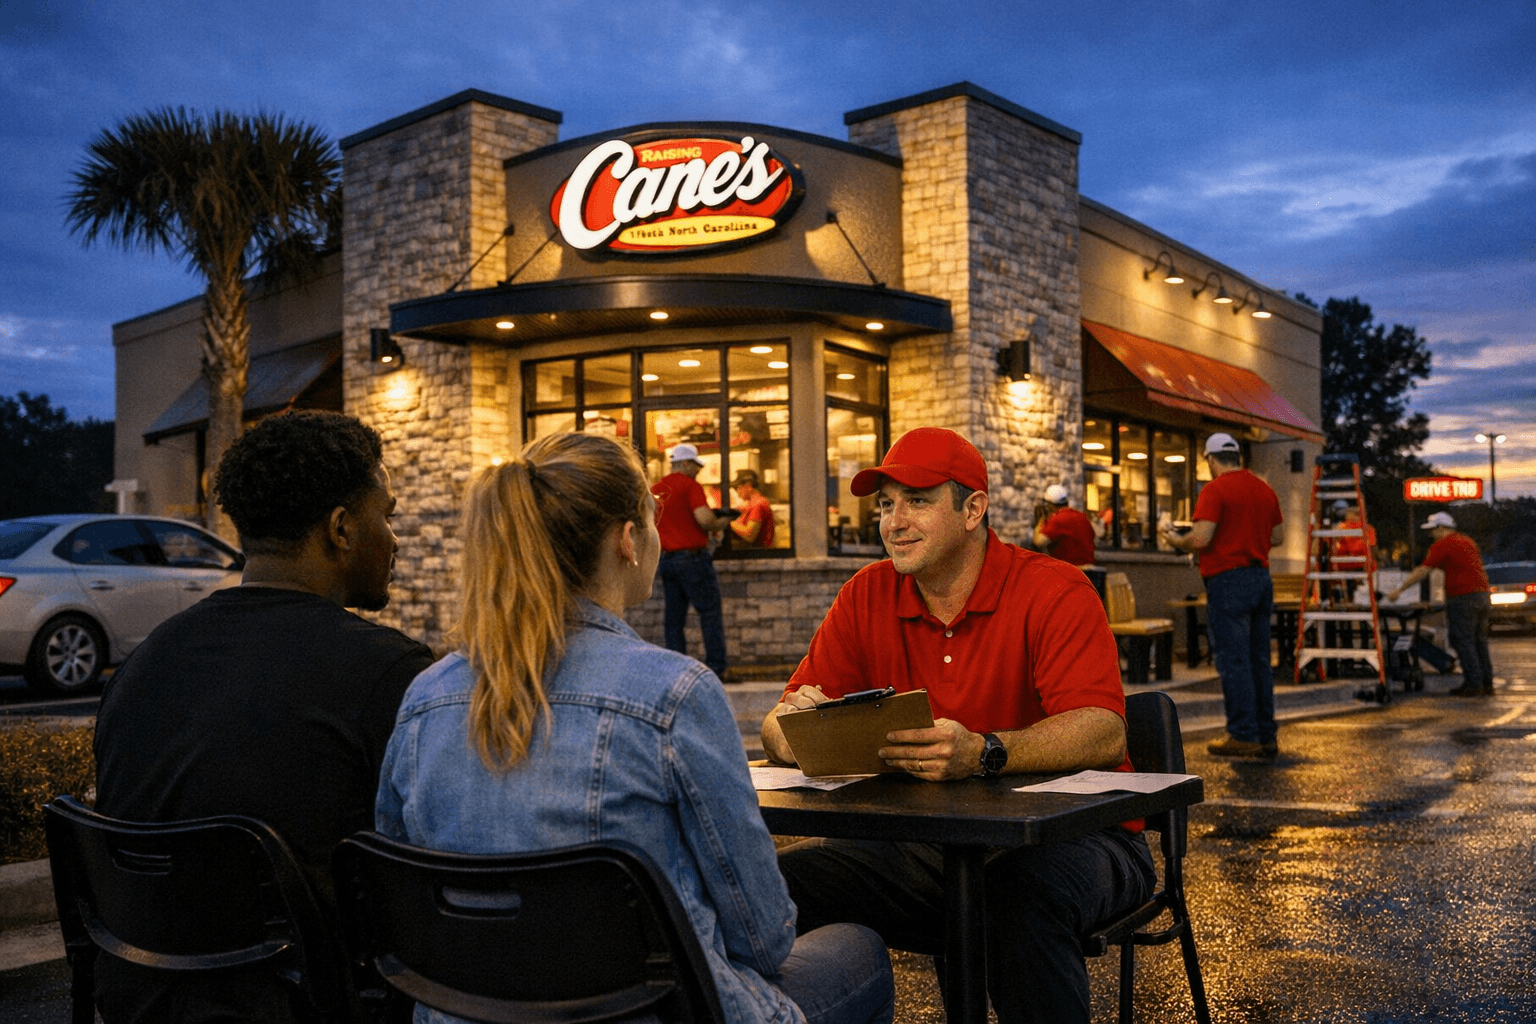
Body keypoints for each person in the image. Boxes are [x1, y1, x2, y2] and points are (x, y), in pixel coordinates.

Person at [376, 432, 893, 1024]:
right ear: (628, 539)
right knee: (860, 949)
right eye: (652, 518)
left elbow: (404, 902)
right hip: (656, 1013)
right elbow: (763, 938)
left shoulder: (425, 699)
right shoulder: (674, 696)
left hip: (466, 1014)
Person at [760, 427, 1153, 1024]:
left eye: (917, 501)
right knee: (768, 885)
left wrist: (983, 751)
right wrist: (795, 730)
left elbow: (1103, 730)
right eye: (886, 504)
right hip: (934, 843)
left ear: (973, 510)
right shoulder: (867, 593)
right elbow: (775, 724)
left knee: (1015, 894)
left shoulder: (1054, 588)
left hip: (1083, 838)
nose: (894, 523)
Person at [92, 410, 435, 1023]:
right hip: (310, 1002)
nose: (395, 538)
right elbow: (431, 860)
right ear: (341, 528)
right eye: (386, 515)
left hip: (145, 995)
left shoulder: (147, 659)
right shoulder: (388, 671)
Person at [1161, 432, 1284, 759]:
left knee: (1234, 660)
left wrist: (1173, 539)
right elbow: (1278, 536)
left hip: (1228, 581)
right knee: (1259, 660)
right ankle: (1266, 734)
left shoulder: (1215, 490)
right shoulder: (1264, 489)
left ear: (1211, 460)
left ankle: (1243, 735)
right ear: (1238, 457)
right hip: (1261, 578)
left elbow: (1200, 538)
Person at [1386, 510, 1493, 696]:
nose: (1431, 535)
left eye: (1432, 530)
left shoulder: (1443, 544)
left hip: (1462, 597)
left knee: (1462, 639)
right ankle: (1486, 682)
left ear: (1441, 528)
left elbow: (1424, 570)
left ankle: (1474, 683)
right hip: (1482, 595)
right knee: (1479, 640)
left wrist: (1399, 590)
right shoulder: (1467, 541)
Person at [652, 442, 728, 676]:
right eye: (696, 465)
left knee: (674, 620)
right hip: (693, 560)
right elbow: (705, 520)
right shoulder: (690, 486)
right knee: (710, 613)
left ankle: (676, 672)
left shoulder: (656, 489)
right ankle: (717, 668)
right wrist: (723, 522)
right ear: (685, 463)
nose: (698, 470)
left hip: (667, 560)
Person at [1032, 483, 1096, 566]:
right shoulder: (1083, 517)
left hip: (1069, 568)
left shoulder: (1057, 519)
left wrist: (1041, 520)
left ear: (1049, 504)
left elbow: (1038, 542)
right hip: (1088, 568)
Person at [730, 468, 776, 548]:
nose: (737, 492)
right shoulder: (752, 502)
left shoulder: (757, 505)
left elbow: (749, 535)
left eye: (737, 488)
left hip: (758, 552)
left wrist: (728, 522)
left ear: (748, 485)